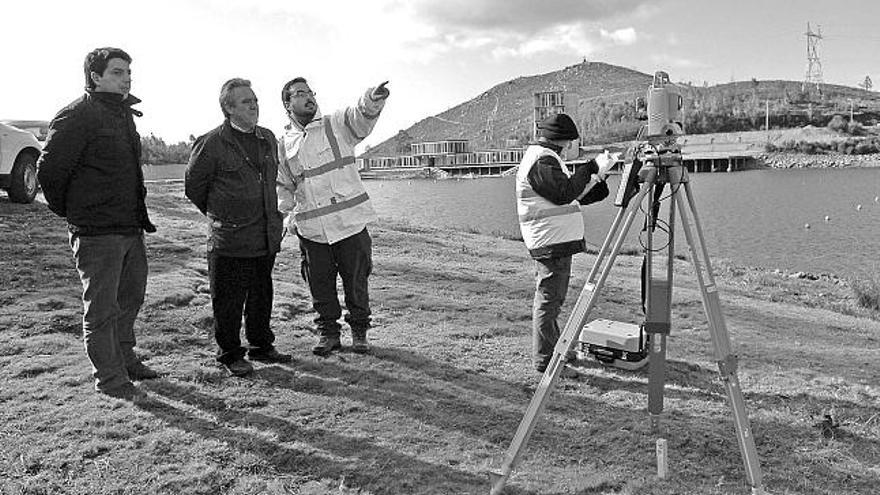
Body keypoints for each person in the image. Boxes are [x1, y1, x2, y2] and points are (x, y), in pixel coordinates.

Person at [37, 47, 157, 399]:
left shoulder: (122, 114)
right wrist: (75, 213)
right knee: (102, 310)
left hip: (130, 228)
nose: (127, 78)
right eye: (118, 72)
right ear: (95, 76)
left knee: (130, 298)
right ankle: (110, 378)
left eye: (128, 73)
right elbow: (49, 172)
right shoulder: (76, 116)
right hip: (95, 233)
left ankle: (125, 358)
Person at [276, 77, 390, 356]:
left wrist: (371, 100)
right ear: (287, 104)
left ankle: (360, 332)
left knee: (356, 282)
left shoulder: (335, 124)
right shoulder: (282, 144)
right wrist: (286, 214)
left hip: (350, 223)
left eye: (310, 92)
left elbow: (360, 117)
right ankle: (328, 334)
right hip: (312, 229)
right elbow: (283, 184)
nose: (308, 97)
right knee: (320, 285)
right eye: (299, 94)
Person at [185, 78, 291, 377]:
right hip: (229, 238)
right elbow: (194, 187)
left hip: (264, 234)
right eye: (246, 101)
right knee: (228, 300)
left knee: (261, 293)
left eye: (255, 99)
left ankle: (262, 346)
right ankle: (230, 353)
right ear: (228, 108)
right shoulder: (211, 143)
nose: (254, 104)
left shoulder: (268, 138)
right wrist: (222, 216)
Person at [515, 113, 616, 376]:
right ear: (563, 140)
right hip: (550, 241)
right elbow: (563, 195)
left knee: (553, 301)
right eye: (571, 141)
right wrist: (591, 167)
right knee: (549, 301)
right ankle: (546, 361)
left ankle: (555, 350)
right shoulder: (542, 160)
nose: (572, 145)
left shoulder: (547, 159)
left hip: (554, 239)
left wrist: (599, 177)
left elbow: (573, 195)